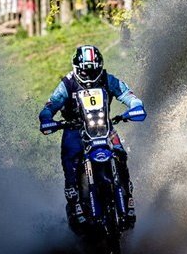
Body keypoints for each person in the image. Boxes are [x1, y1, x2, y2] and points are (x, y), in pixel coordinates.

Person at [38, 45, 146, 232]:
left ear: (100, 67)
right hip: (75, 129)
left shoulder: (107, 79)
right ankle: (75, 206)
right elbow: (50, 106)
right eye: (85, 71)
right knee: (70, 161)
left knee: (120, 154)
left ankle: (128, 201)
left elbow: (129, 96)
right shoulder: (67, 83)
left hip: (105, 128)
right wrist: (48, 118)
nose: (89, 75)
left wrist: (135, 107)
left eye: (93, 70)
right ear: (76, 68)